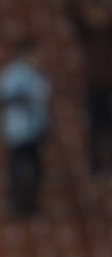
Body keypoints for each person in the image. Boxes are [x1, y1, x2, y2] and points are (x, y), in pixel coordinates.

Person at [0, 38, 51, 219]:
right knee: (19, 167)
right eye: (35, 54)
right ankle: (16, 204)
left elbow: (43, 99)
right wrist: (25, 98)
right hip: (19, 130)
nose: (39, 57)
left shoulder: (38, 75)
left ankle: (31, 203)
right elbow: (4, 94)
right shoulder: (13, 73)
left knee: (36, 168)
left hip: (36, 128)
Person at [69, 0, 112, 176]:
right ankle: (96, 166)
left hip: (109, 87)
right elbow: (75, 17)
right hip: (94, 88)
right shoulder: (89, 34)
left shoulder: (108, 34)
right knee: (95, 128)